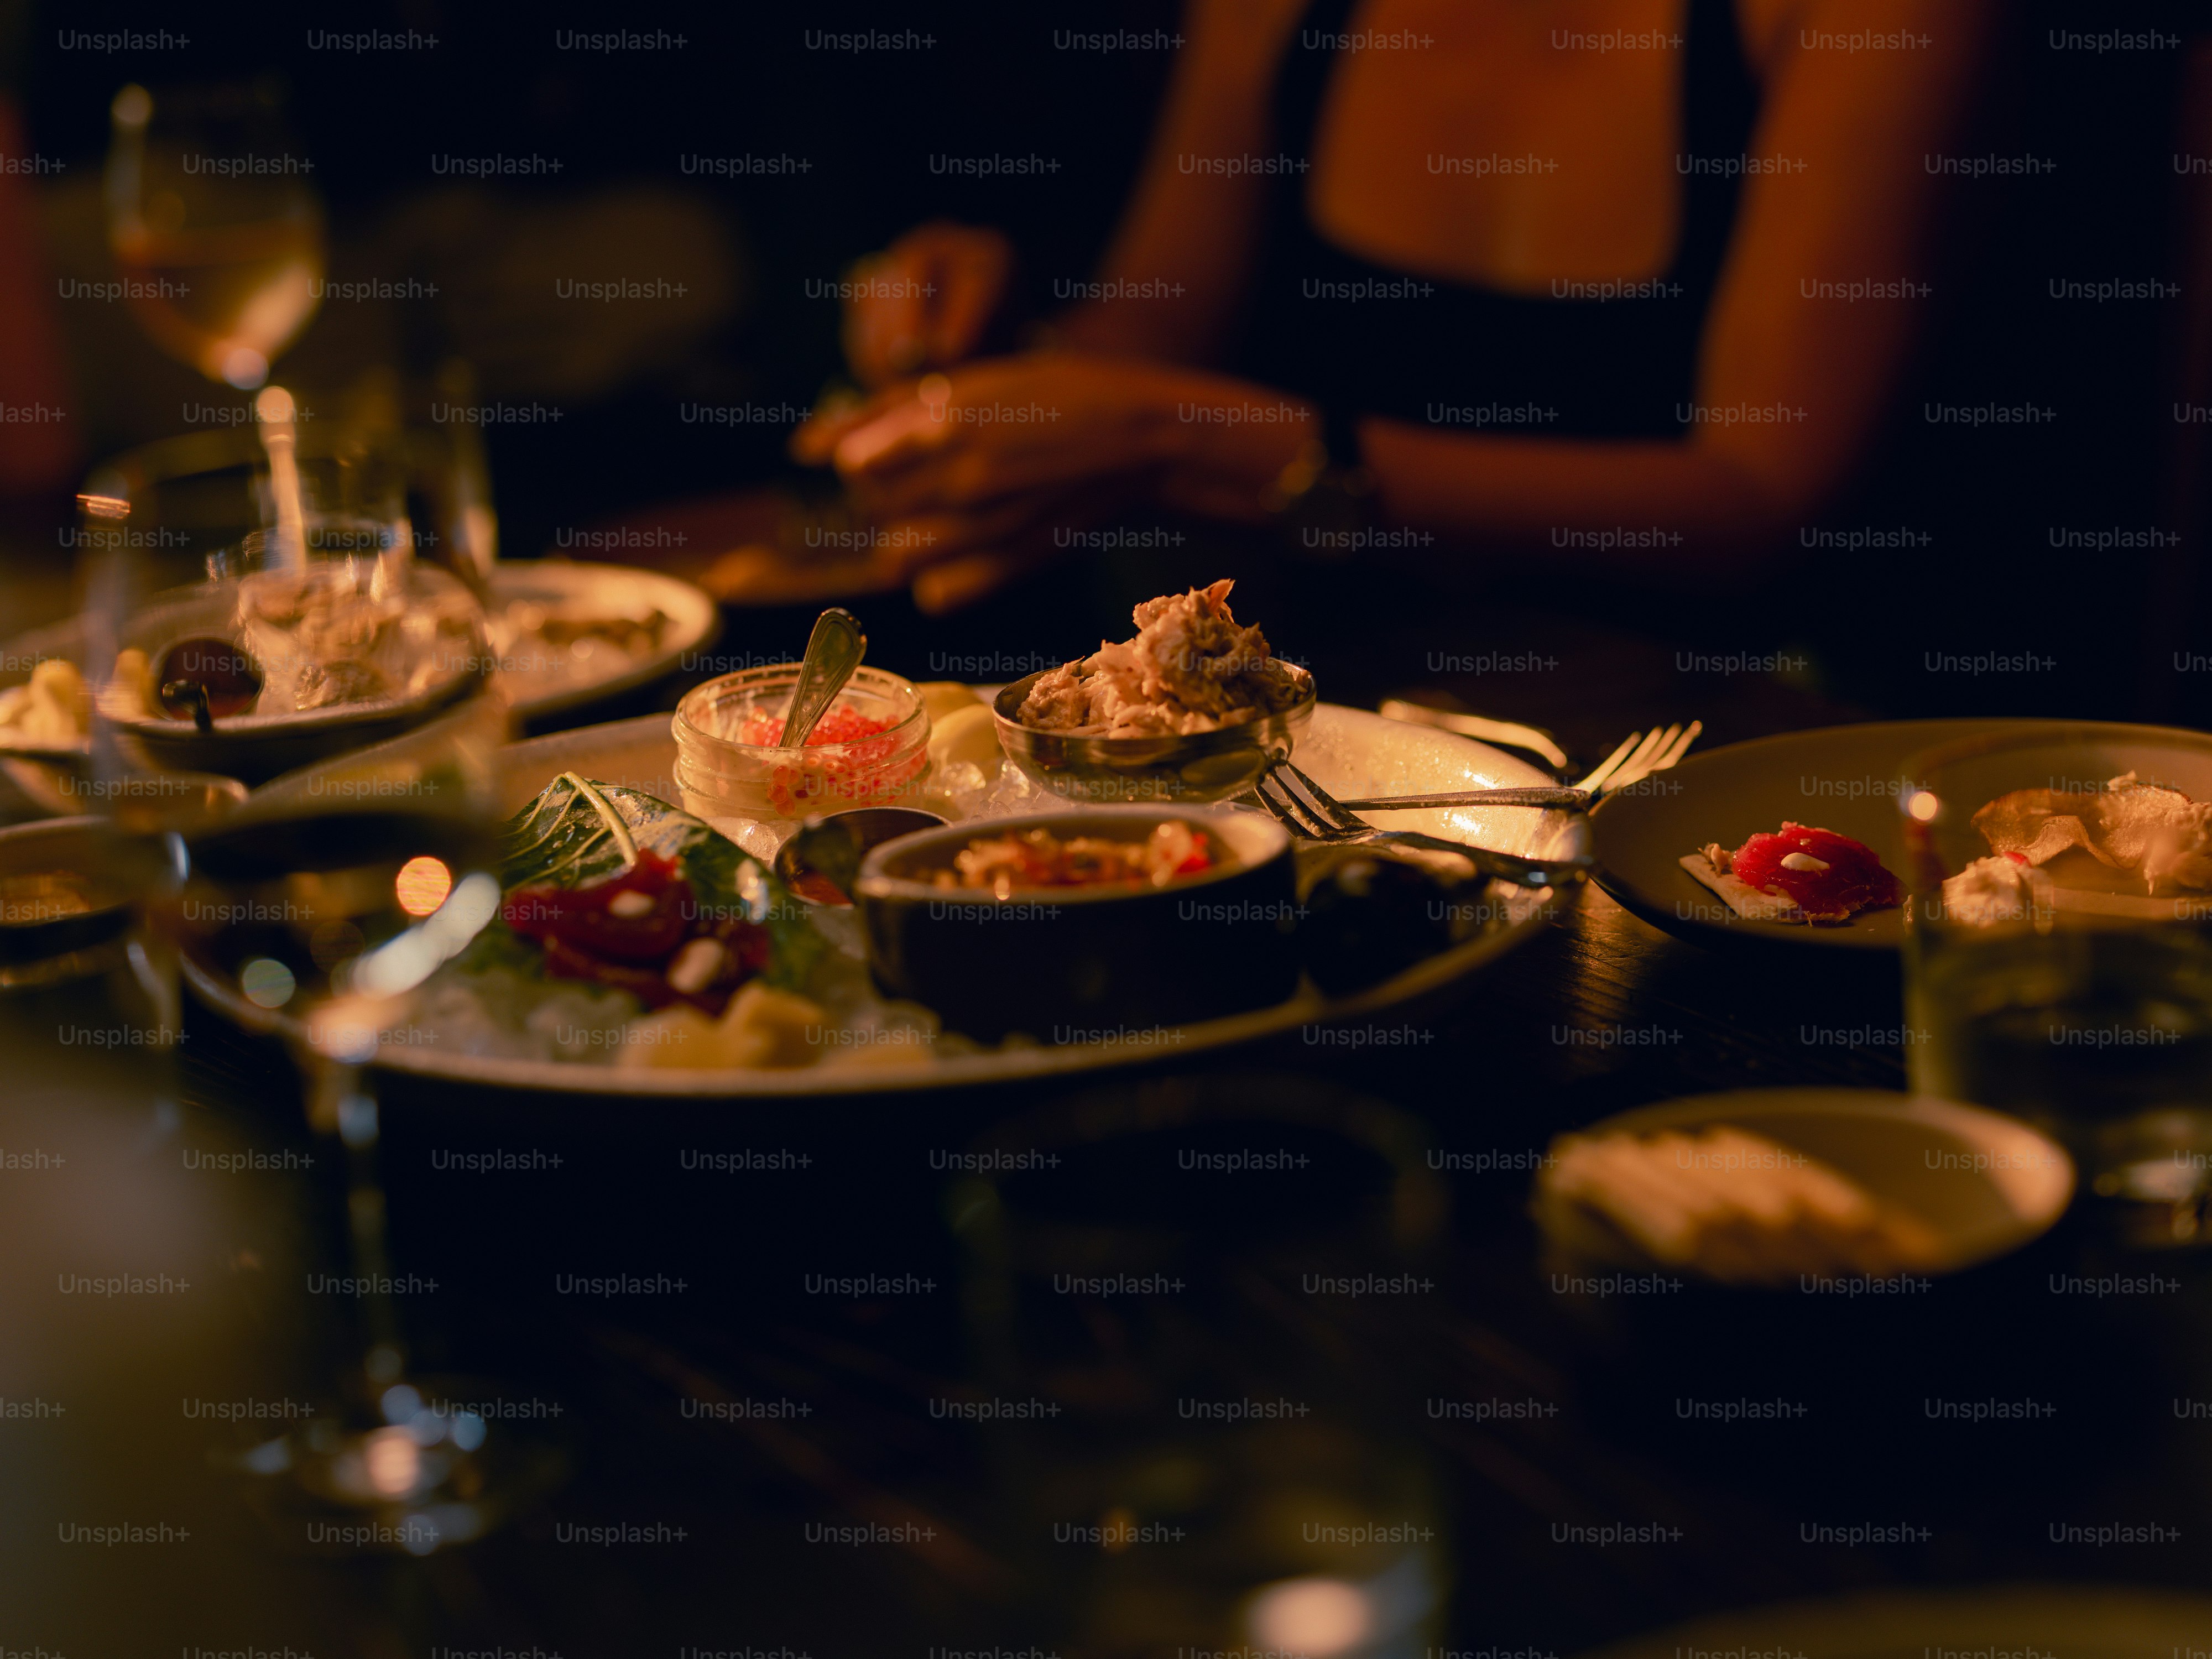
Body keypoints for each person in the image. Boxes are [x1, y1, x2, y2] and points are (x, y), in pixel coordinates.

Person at [795, 0, 1990, 614]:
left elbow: (1758, 505)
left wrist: (1187, 439)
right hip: (1325, 737)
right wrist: (998, 362)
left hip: (1713, 761)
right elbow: (1155, 330)